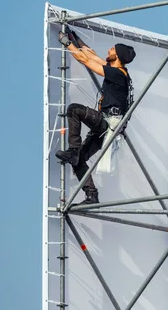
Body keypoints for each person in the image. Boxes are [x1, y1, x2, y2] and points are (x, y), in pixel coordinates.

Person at [56, 29, 136, 204]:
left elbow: (84, 59)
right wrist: (76, 39)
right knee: (79, 161)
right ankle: (91, 195)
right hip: (106, 127)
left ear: (118, 57)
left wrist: (66, 42)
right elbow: (92, 55)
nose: (109, 50)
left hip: (107, 123)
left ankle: (73, 150)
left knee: (74, 109)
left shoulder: (117, 74)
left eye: (113, 50)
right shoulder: (117, 71)